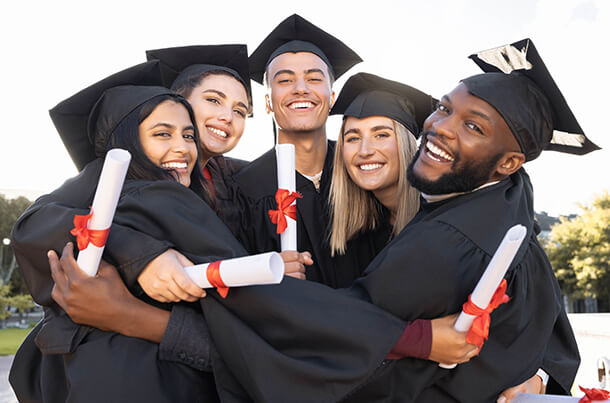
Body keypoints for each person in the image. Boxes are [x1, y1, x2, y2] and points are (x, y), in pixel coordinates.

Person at [10, 63, 252, 401]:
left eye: (187, 135)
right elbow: (35, 224)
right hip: (117, 368)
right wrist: (142, 256)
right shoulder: (109, 180)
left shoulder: (238, 184)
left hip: (185, 366)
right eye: (213, 100)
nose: (182, 146)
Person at [232, 14, 365, 288]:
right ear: (268, 102)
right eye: (284, 81)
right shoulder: (243, 191)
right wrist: (263, 275)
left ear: (332, 97)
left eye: (314, 79)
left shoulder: (363, 169)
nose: (301, 89)